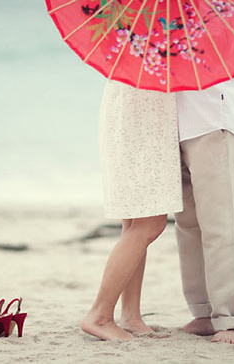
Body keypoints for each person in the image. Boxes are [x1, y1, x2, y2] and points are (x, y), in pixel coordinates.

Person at [81, 80, 183, 341]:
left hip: (129, 115)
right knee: (150, 223)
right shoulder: (148, 41)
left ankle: (130, 316)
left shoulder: (128, 45)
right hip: (142, 121)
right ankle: (100, 315)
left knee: (136, 222)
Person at [174, 74, 234, 344]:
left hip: (214, 117)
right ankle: (204, 310)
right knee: (188, 225)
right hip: (176, 122)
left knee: (222, 222)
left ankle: (232, 317)